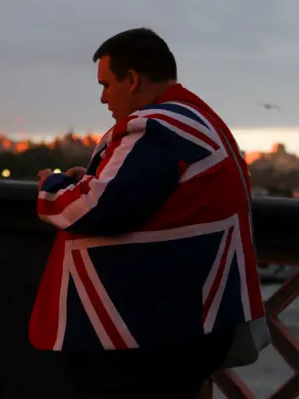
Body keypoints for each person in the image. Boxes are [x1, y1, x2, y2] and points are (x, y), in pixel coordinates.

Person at [29, 28, 269, 399]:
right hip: (191, 325)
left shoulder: (157, 127)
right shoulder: (195, 119)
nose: (103, 97)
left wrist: (53, 187)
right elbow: (142, 191)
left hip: (145, 334)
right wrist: (92, 178)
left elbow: (95, 208)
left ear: (132, 79)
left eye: (107, 84)